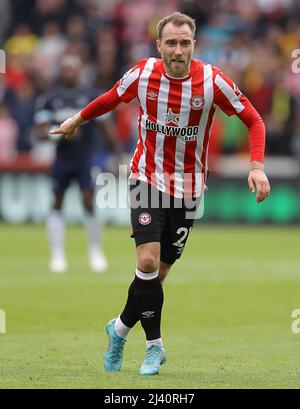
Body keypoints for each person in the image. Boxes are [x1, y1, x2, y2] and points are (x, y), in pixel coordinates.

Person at [49, 13, 271, 375]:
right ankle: (155, 347)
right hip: (146, 178)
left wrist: (257, 166)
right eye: (171, 42)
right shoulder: (142, 74)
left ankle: (118, 328)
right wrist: (78, 119)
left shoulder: (213, 81)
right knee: (147, 261)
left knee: (158, 273)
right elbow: (110, 99)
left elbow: (254, 120)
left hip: (189, 189)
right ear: (159, 46)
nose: (178, 50)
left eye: (185, 43)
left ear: (194, 45)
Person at [35, 54, 120, 273]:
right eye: (65, 68)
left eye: (73, 68)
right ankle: (57, 254)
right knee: (57, 201)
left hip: (85, 158)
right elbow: (41, 133)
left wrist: (117, 152)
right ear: (61, 71)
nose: (69, 72)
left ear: (79, 70)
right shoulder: (49, 98)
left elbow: (105, 127)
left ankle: (95, 250)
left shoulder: (90, 95)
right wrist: (60, 134)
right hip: (62, 159)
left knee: (88, 200)